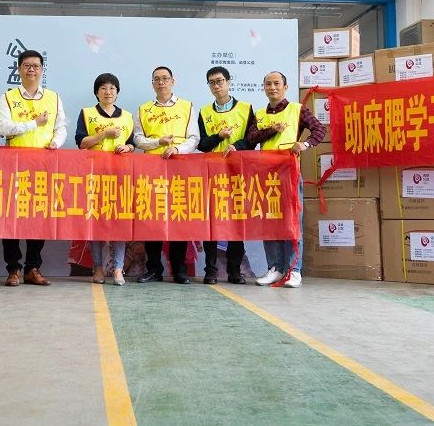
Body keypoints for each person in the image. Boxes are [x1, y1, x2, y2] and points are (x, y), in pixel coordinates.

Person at [247, 71, 326, 288]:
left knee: (291, 221)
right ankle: (275, 268)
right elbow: (251, 138)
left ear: (285, 87)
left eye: (276, 83)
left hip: (289, 174)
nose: (272, 87)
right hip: (266, 176)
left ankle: (294, 269)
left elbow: (319, 129)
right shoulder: (260, 114)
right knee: (269, 222)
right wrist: (271, 130)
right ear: (263, 87)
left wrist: (305, 144)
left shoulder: (297, 110)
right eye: (268, 84)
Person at [0, 49, 66, 286]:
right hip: (14, 165)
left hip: (43, 165)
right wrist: (34, 123)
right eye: (27, 65)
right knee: (12, 217)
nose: (31, 70)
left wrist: (56, 142)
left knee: (39, 216)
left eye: (36, 66)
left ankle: (32, 268)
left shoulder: (53, 98)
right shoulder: (8, 97)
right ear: (19, 69)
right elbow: (4, 128)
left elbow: (61, 127)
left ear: (42, 70)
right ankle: (13, 269)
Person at [133, 66, 199, 284]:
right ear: (152, 83)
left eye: (165, 78)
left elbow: (194, 138)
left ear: (173, 81)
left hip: (179, 169)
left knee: (178, 217)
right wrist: (158, 142)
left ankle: (179, 269)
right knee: (152, 218)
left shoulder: (187, 106)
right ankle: (154, 269)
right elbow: (138, 139)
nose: (161, 82)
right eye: (157, 79)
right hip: (151, 170)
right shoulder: (143, 109)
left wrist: (177, 149)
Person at [196, 66, 257, 285]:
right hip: (212, 174)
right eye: (212, 82)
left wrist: (236, 146)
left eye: (220, 81)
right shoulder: (204, 112)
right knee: (211, 223)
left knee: (236, 223)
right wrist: (218, 136)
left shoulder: (246, 109)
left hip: (237, 173)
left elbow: (252, 140)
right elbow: (202, 144)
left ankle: (235, 271)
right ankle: (211, 271)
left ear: (229, 82)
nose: (216, 86)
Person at [75, 73, 135, 286]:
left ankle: (118, 268)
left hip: (120, 176)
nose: (108, 92)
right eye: (103, 88)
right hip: (95, 175)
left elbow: (132, 142)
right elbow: (81, 142)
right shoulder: (87, 113)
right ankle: (98, 267)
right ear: (96, 92)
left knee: (120, 221)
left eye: (112, 88)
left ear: (117, 93)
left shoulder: (127, 116)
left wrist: (128, 147)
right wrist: (103, 135)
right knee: (95, 221)